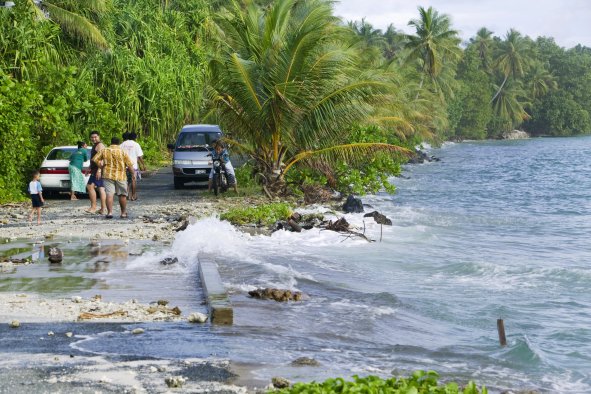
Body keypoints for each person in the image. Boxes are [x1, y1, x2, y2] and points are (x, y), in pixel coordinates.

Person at [92, 136, 135, 219]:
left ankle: (110, 213)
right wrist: (133, 174)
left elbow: (95, 159)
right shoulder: (123, 151)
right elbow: (129, 164)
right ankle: (123, 213)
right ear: (119, 143)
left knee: (109, 194)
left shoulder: (104, 150)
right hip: (121, 176)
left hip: (107, 175)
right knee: (122, 194)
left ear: (111, 142)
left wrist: (101, 166)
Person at [120, 132, 146, 201]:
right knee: (133, 180)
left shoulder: (122, 144)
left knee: (126, 181)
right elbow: (139, 156)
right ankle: (133, 195)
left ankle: (127, 195)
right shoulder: (136, 144)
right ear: (135, 138)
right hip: (133, 166)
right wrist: (143, 165)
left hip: (123, 166)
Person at [86, 131, 107, 214]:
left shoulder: (100, 145)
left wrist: (99, 170)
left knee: (90, 187)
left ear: (99, 137)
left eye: (95, 137)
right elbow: (93, 159)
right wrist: (89, 167)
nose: (94, 139)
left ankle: (94, 207)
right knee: (100, 188)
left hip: (98, 170)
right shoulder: (95, 145)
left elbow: (103, 158)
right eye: (92, 137)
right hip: (95, 169)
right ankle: (103, 208)